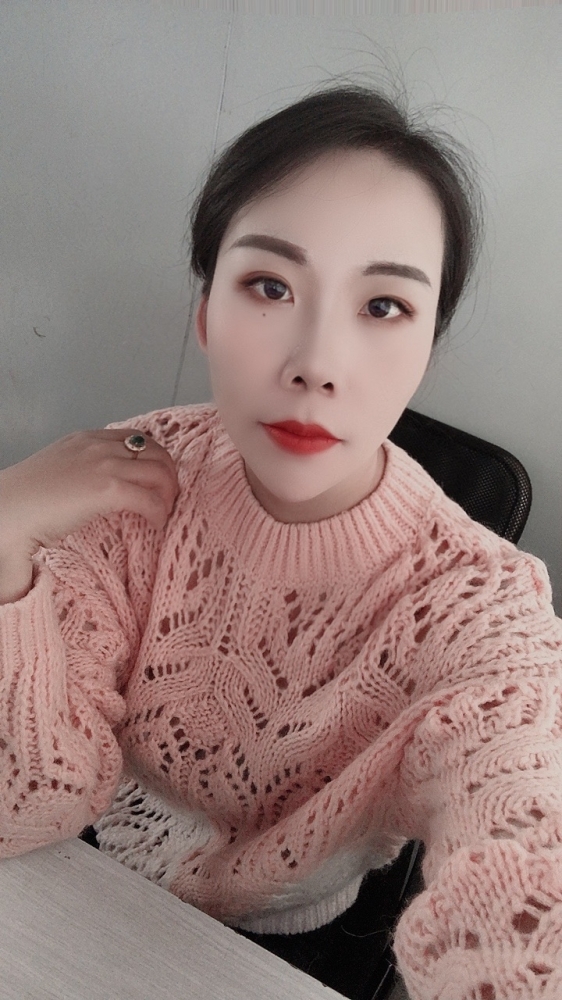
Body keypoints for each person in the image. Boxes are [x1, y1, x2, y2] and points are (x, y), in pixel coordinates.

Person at [1, 85, 561, 1000]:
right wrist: (6, 530)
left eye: (384, 306)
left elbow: (523, 836)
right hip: (89, 871)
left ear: (429, 347)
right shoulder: (132, 480)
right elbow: (25, 804)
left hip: (287, 933)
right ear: (206, 312)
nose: (316, 364)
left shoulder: (482, 606)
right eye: (270, 286)